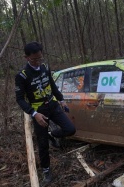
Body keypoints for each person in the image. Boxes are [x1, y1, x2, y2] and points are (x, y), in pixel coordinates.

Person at [15, 41, 76, 184]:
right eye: (34, 59)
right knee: (43, 145)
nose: (37, 62)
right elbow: (20, 99)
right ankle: (46, 170)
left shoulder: (45, 67)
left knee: (70, 129)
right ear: (26, 58)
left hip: (53, 105)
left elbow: (52, 85)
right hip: (39, 112)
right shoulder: (22, 76)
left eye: (40, 58)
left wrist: (61, 99)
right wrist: (34, 114)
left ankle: (52, 134)